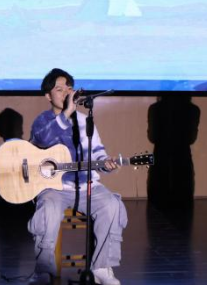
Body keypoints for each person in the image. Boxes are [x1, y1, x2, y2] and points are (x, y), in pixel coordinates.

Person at [27, 68, 128, 285]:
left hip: (86, 186)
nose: (66, 93)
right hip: (54, 188)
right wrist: (66, 114)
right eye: (59, 89)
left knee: (112, 205)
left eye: (69, 88)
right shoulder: (43, 120)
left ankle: (101, 267)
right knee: (48, 209)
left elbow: (98, 153)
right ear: (48, 96)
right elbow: (42, 140)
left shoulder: (84, 120)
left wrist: (107, 164)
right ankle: (43, 269)